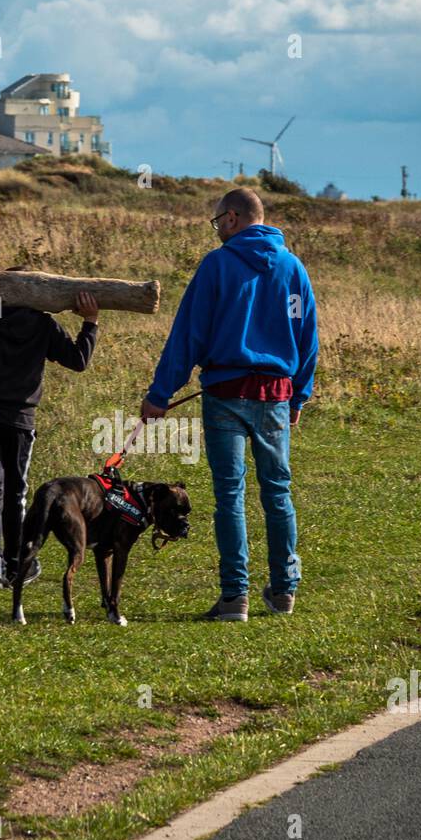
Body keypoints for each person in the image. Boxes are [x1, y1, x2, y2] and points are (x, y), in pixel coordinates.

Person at [140, 187, 317, 621]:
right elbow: (307, 335)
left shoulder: (217, 265)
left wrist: (160, 394)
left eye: (218, 220)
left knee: (230, 496)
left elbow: (189, 334)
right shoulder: (293, 268)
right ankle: (283, 591)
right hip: (275, 396)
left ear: (233, 218)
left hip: (225, 396)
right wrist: (300, 393)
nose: (217, 228)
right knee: (278, 492)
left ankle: (234, 597)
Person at [0, 290, 99, 589]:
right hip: (19, 419)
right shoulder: (42, 323)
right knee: (15, 493)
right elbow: (78, 360)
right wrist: (90, 322)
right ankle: (16, 565)